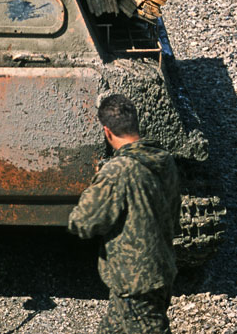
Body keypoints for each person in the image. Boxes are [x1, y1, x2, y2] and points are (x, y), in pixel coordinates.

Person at [68, 94, 181, 334]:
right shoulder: (163, 160)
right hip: (159, 268)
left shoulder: (118, 170)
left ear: (107, 132)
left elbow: (85, 222)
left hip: (136, 281)